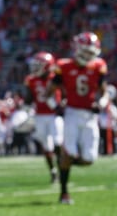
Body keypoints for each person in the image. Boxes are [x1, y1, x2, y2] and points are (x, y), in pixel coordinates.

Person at [45, 32, 109, 205]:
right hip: (71, 114)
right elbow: (48, 93)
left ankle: (63, 164)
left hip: (89, 116)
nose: (88, 56)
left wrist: (101, 102)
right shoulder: (63, 66)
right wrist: (55, 107)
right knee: (70, 152)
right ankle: (64, 193)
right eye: (86, 52)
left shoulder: (98, 66)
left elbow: (105, 92)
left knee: (89, 159)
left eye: (91, 52)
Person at [23, 51, 63, 183]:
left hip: (54, 115)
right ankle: (53, 171)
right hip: (40, 115)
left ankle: (62, 169)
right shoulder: (31, 80)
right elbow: (29, 99)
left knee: (57, 143)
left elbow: (65, 92)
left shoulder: (55, 77)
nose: (35, 68)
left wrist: (62, 104)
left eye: (39, 65)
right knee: (46, 146)